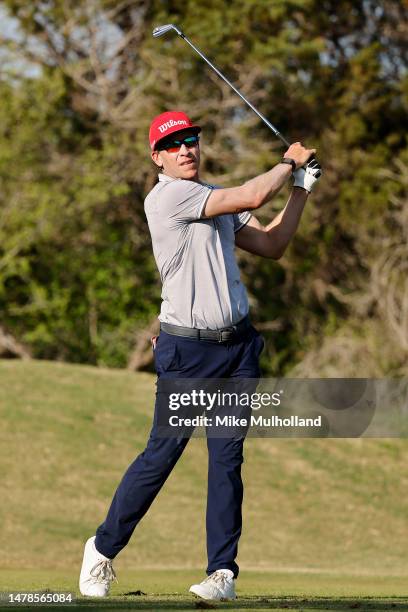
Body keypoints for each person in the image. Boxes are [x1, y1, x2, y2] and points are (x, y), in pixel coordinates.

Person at [79, 110, 321, 601]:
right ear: (157, 158)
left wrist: (301, 188)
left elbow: (273, 244)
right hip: (188, 353)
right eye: (174, 145)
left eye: (191, 140)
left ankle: (221, 574)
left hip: (238, 349)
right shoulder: (169, 197)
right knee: (162, 455)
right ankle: (102, 550)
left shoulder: (213, 199)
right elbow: (253, 194)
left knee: (227, 460)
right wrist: (287, 162)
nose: (186, 149)